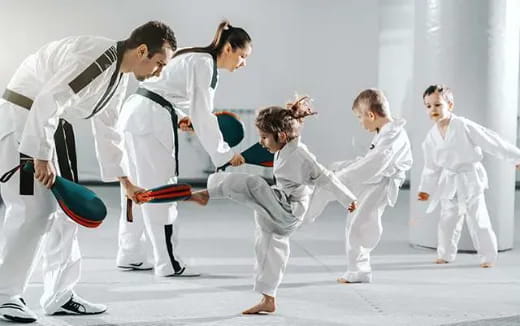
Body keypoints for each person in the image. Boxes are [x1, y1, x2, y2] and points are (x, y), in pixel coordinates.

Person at [0, 21, 176, 323]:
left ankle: (60, 294)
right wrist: (39, 156)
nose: (160, 71)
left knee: (67, 212)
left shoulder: (118, 77)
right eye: (160, 63)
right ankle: (4, 296)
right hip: (23, 125)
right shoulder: (99, 58)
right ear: (143, 50)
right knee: (33, 211)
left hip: (49, 129)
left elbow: (108, 129)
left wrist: (125, 181)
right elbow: (48, 100)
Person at [188, 96, 358, 314]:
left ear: (282, 135)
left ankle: (207, 193)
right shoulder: (282, 148)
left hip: (289, 210)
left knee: (253, 183)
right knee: (268, 248)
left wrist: (348, 198)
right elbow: (261, 151)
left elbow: (326, 177)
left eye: (264, 137)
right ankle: (268, 298)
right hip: (278, 206)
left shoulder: (300, 154)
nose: (261, 142)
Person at [116, 20, 250, 277]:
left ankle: (130, 253)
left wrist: (179, 118)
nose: (243, 63)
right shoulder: (205, 64)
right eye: (242, 56)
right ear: (229, 48)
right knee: (160, 190)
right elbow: (202, 113)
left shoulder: (193, 55)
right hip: (151, 119)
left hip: (135, 113)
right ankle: (168, 263)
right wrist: (224, 154)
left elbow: (163, 90)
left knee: (136, 190)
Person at [305, 89, 412, 283]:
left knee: (361, 224)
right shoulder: (387, 132)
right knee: (354, 219)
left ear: (371, 115)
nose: (360, 122)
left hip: (380, 184)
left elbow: (376, 163)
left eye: (359, 117)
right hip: (374, 180)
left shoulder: (392, 134)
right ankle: (357, 269)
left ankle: (360, 271)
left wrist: (343, 177)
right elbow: (371, 160)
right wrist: (343, 169)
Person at [417, 84, 520, 267]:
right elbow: (431, 167)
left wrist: (515, 157)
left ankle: (488, 256)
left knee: (478, 219)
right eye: (428, 106)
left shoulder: (462, 125)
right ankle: (446, 254)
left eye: (438, 105)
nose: (433, 109)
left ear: (450, 105)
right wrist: (426, 188)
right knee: (447, 220)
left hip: (470, 178)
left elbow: (491, 141)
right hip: (449, 182)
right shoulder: (431, 137)